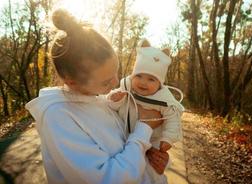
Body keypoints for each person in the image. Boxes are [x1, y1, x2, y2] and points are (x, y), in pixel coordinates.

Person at [25, 9, 169, 184]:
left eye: (117, 72)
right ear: (72, 82)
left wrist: (151, 162)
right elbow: (109, 178)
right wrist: (144, 128)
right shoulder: (58, 117)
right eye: (106, 82)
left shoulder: (98, 99)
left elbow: (126, 148)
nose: (116, 82)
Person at [106, 39, 184, 184]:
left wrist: (168, 138)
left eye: (151, 79)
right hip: (125, 134)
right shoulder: (126, 89)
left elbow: (173, 119)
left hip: (152, 140)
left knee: (153, 167)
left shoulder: (163, 99)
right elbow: (111, 106)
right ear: (132, 75)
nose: (143, 82)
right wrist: (114, 99)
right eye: (139, 76)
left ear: (160, 83)